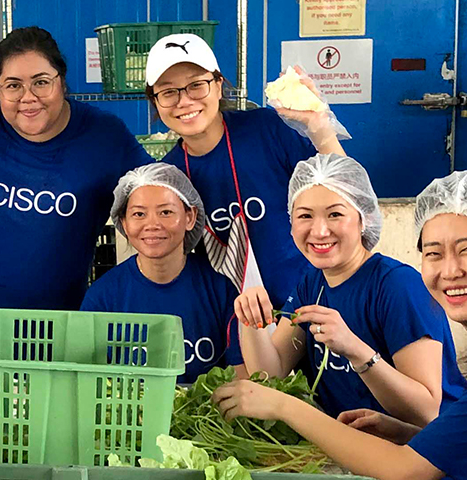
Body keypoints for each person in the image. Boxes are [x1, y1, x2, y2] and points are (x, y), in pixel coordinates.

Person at [211, 169, 467, 480]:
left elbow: (407, 465)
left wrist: (285, 407)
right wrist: (250, 321)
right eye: (434, 253)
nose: (450, 271)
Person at [0, 27, 154, 356]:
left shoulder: (103, 137)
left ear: (61, 82)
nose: (28, 97)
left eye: (41, 81)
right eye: (13, 86)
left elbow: (155, 188)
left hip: (54, 332)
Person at [232, 154, 467, 427]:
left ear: (363, 218)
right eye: (305, 216)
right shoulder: (312, 284)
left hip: (429, 453)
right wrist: (251, 320)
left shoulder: (397, 286)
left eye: (335, 214)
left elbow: (425, 412)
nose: (319, 231)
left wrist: (355, 350)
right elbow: (272, 375)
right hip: (356, 446)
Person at [146, 33, 344, 309]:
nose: (184, 101)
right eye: (168, 92)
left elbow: (346, 192)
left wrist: (319, 125)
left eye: (196, 85)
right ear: (155, 101)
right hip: (233, 319)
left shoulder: (266, 129)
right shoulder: (168, 177)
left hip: (311, 300)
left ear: (218, 86)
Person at [81, 163, 245, 383]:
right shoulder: (103, 298)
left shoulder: (220, 290)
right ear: (124, 223)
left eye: (166, 212)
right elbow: (87, 381)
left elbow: (241, 376)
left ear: (190, 217)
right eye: (139, 214)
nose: (152, 224)